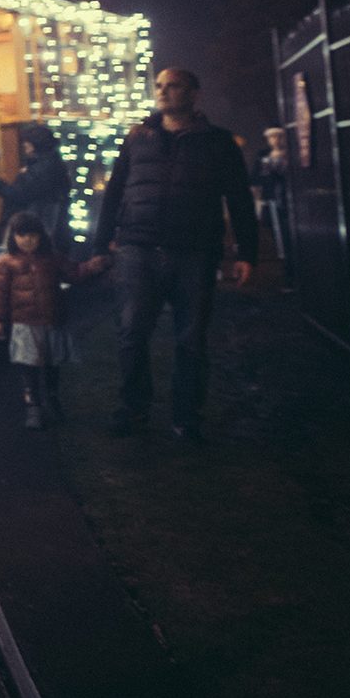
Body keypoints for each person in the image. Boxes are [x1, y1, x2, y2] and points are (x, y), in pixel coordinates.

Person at [91, 67, 259, 442]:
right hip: (137, 248)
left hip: (194, 252)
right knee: (131, 333)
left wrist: (247, 252)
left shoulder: (218, 142)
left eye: (173, 86)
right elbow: (115, 191)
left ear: (195, 93)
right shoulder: (138, 138)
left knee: (191, 339)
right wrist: (101, 246)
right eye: (159, 86)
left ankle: (187, 416)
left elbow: (239, 198)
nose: (164, 92)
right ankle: (134, 408)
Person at [0, 211, 111, 428]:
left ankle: (52, 401)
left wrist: (93, 266)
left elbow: (74, 272)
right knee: (28, 367)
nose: (27, 239)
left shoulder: (52, 258)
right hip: (24, 325)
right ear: (13, 236)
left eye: (32, 235)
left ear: (41, 236)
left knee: (52, 365)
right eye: (22, 235)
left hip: (51, 321)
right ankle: (33, 407)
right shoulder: (5, 263)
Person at [0, 121, 70, 248]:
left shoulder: (42, 168)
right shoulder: (51, 164)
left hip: (35, 225)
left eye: (26, 145)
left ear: (33, 145)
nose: (25, 149)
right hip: (44, 224)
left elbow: (20, 193)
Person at [252, 126, 290, 262]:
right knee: (276, 231)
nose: (275, 140)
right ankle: (283, 262)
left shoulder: (291, 153)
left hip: (288, 198)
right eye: (271, 137)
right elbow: (254, 177)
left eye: (278, 136)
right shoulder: (263, 155)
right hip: (271, 197)